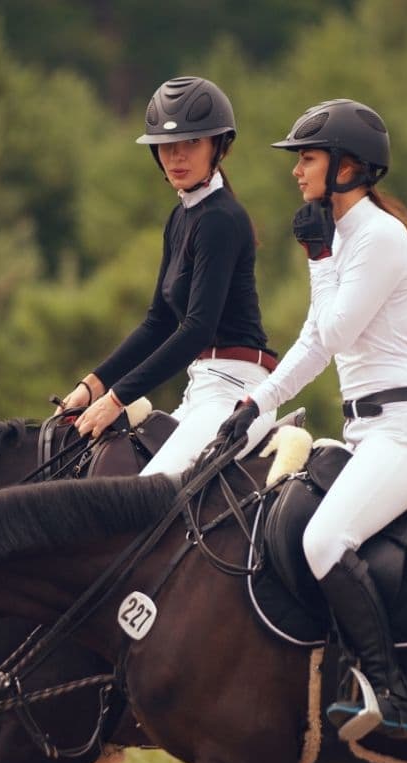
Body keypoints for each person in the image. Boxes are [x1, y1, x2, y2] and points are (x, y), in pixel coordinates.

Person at [212, 99, 407, 741]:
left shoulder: (379, 236)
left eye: (307, 158)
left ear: (347, 167)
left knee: (323, 541)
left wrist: (317, 261)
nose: (297, 171)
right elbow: (316, 336)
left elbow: (332, 333)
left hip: (405, 429)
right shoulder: (344, 236)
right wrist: (254, 406)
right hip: (363, 430)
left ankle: (392, 693)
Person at [56, 75, 277, 476]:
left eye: (191, 143)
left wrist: (116, 399)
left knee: (148, 492)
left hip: (235, 389)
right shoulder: (181, 216)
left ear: (218, 146)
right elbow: (158, 322)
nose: (177, 156)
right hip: (202, 387)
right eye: (167, 146)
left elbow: (196, 328)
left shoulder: (221, 220)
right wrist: (92, 385)